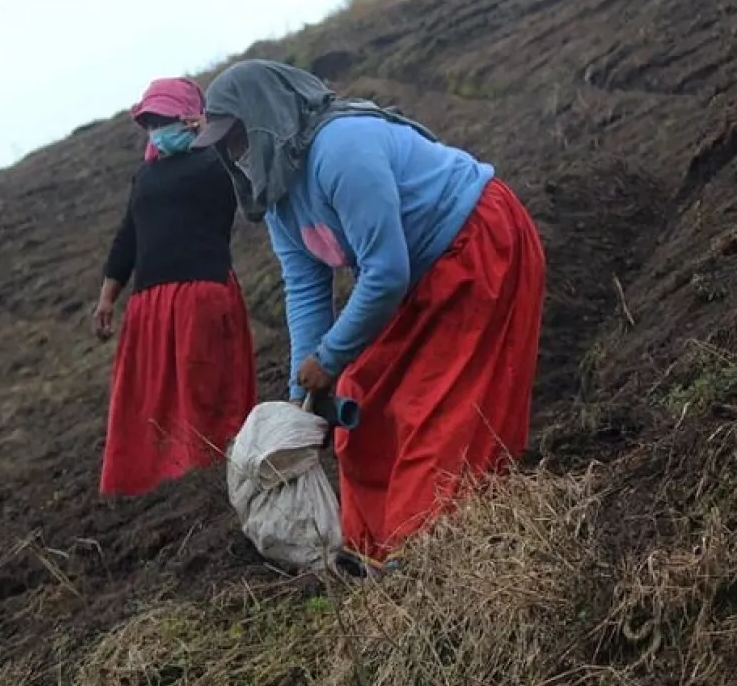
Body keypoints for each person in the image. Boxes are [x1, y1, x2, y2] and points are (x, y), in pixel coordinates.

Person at [188, 59, 546, 572]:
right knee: (361, 408)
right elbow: (306, 288)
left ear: (266, 119)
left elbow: (385, 270)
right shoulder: (280, 197)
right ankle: (373, 554)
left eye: (239, 139)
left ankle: (431, 561)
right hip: (412, 279)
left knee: (439, 412)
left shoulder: (342, 148)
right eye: (227, 147)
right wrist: (302, 395)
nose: (236, 156)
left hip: (474, 247)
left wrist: (330, 355)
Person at [92, 76, 259, 497]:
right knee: (148, 398)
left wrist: (214, 132)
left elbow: (254, 174)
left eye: (165, 118)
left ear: (189, 117)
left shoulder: (219, 163)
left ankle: (210, 474)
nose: (157, 129)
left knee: (202, 388)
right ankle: (150, 481)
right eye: (149, 122)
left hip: (201, 295)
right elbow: (127, 237)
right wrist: (108, 297)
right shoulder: (145, 177)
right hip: (150, 304)